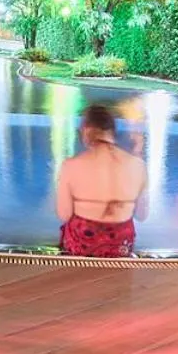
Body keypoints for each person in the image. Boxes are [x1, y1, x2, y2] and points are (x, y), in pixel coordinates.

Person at [54, 103, 148, 258]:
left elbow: (64, 214)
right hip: (120, 245)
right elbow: (142, 215)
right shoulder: (138, 165)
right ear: (112, 131)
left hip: (83, 245)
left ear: (88, 129)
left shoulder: (71, 166)